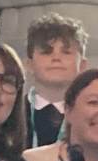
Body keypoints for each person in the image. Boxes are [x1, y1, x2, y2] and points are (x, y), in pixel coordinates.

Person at [23, 14, 86, 146]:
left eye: (66, 52)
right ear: (29, 64)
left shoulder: (88, 115)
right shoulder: (13, 112)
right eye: (46, 52)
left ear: (82, 66)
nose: (56, 58)